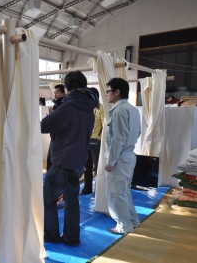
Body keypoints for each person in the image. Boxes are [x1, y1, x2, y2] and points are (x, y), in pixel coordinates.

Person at [41, 71, 98, 246]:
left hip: (63, 163)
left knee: (47, 200)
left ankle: (51, 235)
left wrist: (51, 114)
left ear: (66, 88)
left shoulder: (68, 107)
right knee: (72, 202)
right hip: (79, 162)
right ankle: (71, 238)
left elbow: (43, 126)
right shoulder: (90, 107)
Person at [104, 77, 141, 235]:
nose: (107, 95)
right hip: (129, 155)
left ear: (117, 92)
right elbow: (136, 133)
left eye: (108, 91)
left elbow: (118, 139)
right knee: (124, 191)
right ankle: (132, 220)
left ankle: (124, 226)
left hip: (119, 158)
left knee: (116, 194)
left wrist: (111, 161)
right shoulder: (132, 109)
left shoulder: (119, 111)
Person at [81, 87, 105, 195]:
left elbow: (105, 125)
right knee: (86, 166)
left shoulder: (101, 108)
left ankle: (99, 190)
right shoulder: (85, 108)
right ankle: (87, 187)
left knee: (97, 168)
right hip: (86, 141)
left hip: (97, 141)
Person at [46, 84, 65, 172]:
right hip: (55, 135)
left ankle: (51, 179)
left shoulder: (62, 105)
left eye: (57, 92)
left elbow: (58, 121)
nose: (55, 94)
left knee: (52, 159)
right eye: (54, 93)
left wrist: (51, 116)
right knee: (51, 158)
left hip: (59, 137)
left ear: (63, 93)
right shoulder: (57, 104)